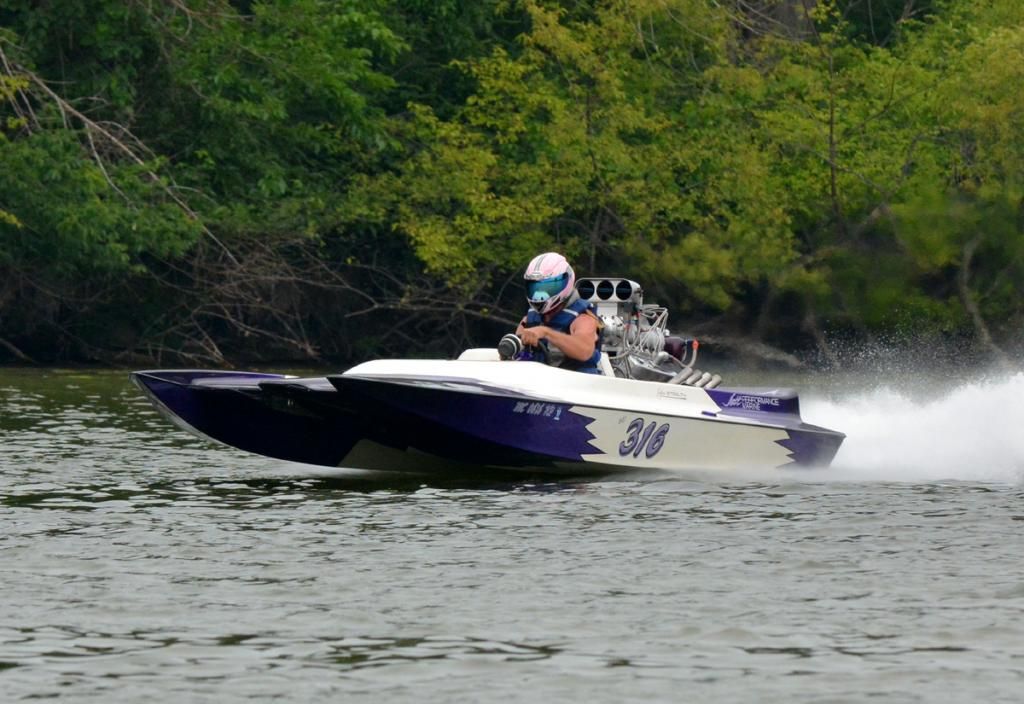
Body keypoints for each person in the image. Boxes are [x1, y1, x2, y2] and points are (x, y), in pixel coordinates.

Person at [513, 252, 603, 374]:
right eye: (535, 289)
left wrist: (546, 333)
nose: (540, 295)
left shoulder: (584, 318)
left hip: (577, 382)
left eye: (548, 288)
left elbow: (585, 351)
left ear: (566, 281)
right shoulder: (529, 320)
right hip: (538, 381)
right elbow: (514, 352)